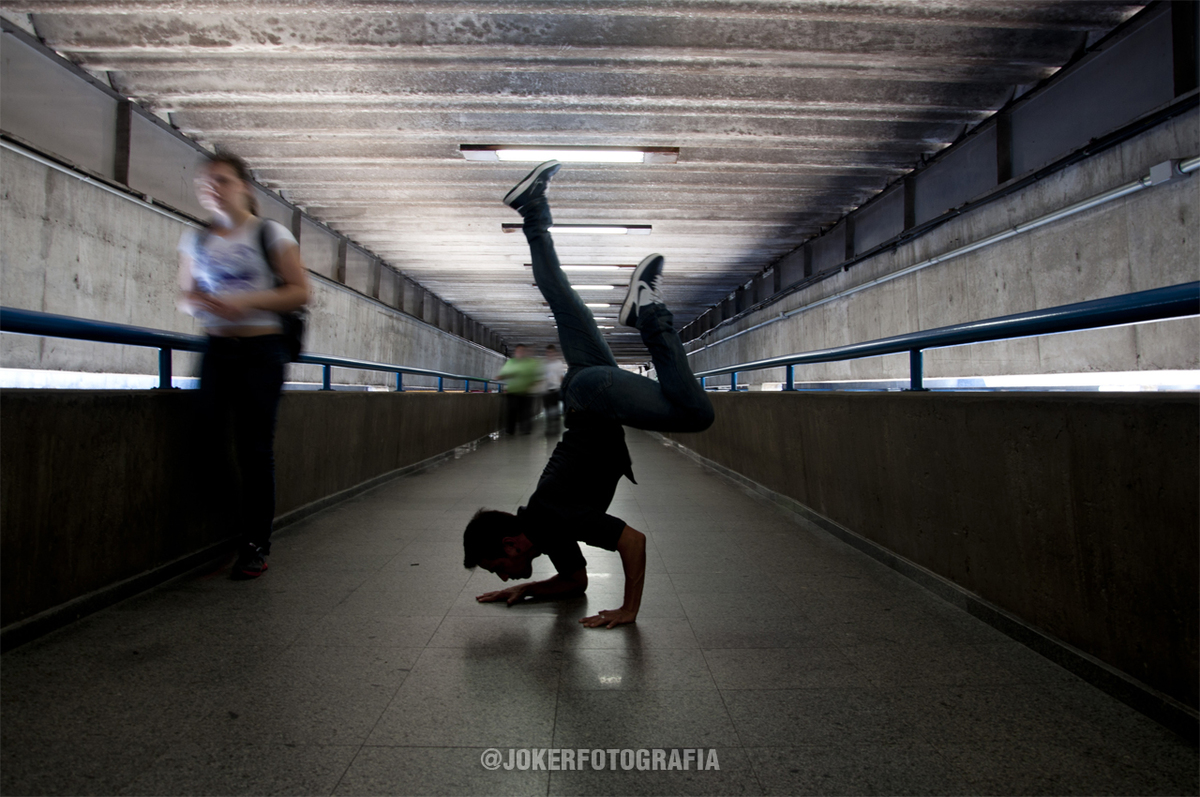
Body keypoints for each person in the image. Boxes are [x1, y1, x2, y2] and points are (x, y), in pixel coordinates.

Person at [462, 161, 714, 629]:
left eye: (500, 567)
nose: (504, 574)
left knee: (697, 415)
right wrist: (527, 588)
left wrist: (629, 610)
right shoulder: (543, 528)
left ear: (511, 545)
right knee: (562, 298)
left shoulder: (552, 517)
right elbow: (575, 582)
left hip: (594, 398)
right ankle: (532, 211)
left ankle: (649, 314)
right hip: (584, 393)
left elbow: (632, 541)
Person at [177, 152, 310, 579]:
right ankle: (222, 529)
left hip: (261, 351)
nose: (212, 189)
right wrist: (201, 303)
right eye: (205, 183)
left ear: (244, 188)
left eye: (222, 180)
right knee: (204, 436)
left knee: (254, 449)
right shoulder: (196, 240)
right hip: (217, 349)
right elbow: (185, 294)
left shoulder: (269, 233)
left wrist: (245, 301)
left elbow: (300, 291)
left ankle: (254, 545)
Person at [496, 344, 543, 435]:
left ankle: (525, 430)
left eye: (522, 351)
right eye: (518, 351)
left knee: (525, 412)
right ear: (515, 352)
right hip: (513, 391)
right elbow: (504, 373)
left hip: (526, 392)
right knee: (511, 411)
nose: (520, 353)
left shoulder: (531, 363)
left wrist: (532, 384)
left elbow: (537, 376)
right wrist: (500, 376)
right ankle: (510, 430)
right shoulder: (511, 362)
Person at [542, 343, 567, 433]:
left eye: (551, 352)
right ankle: (549, 427)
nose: (550, 354)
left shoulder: (558, 363)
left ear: (554, 353)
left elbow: (561, 377)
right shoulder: (544, 364)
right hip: (546, 390)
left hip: (555, 389)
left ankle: (555, 428)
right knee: (548, 409)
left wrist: (562, 387)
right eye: (548, 352)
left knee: (554, 409)